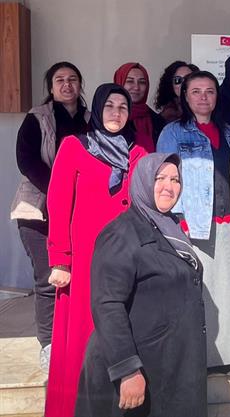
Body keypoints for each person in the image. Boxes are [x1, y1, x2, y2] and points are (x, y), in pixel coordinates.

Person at [74, 153, 206, 417]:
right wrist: (127, 370)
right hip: (135, 371)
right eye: (160, 178)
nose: (169, 186)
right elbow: (107, 304)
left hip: (168, 364)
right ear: (144, 181)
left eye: (176, 180)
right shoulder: (121, 233)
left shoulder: (168, 228)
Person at [44, 84, 148, 417]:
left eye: (123, 107)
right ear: (98, 110)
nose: (116, 112)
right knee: (82, 339)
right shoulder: (75, 146)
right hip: (85, 261)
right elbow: (58, 203)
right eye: (109, 106)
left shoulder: (139, 153)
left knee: (121, 332)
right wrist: (60, 259)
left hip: (128, 260)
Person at [157, 71, 230, 374]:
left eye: (209, 91)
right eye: (195, 91)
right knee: (199, 293)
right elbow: (164, 180)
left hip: (228, 221)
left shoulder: (228, 130)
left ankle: (228, 357)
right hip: (192, 223)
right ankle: (198, 359)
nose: (203, 97)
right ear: (185, 96)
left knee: (228, 292)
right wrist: (175, 220)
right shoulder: (172, 132)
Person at [10, 62, 90, 371]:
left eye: (73, 79)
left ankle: (75, 339)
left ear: (80, 84)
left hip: (78, 212)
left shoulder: (89, 119)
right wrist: (60, 190)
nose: (67, 85)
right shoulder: (37, 117)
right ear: (51, 86)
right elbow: (26, 160)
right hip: (38, 211)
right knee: (48, 279)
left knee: (79, 279)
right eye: (60, 80)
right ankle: (49, 344)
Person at [113, 62, 166, 153]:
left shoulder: (158, 121)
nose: (136, 87)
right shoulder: (109, 118)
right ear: (119, 83)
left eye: (142, 82)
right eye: (130, 81)